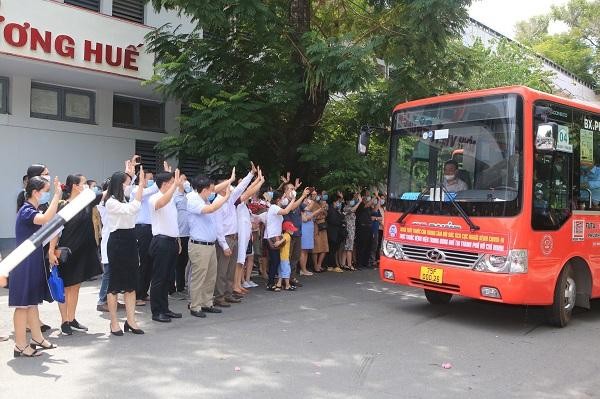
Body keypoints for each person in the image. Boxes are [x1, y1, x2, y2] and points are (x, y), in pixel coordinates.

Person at [10, 176, 62, 357]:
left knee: (31, 303)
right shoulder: (27, 211)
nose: (47, 194)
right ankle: (20, 345)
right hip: (24, 264)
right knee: (22, 305)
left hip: (31, 262)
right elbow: (47, 217)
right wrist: (57, 196)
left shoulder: (31, 209)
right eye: (45, 191)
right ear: (35, 192)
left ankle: (37, 338)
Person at [49, 174, 102, 335]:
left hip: (83, 251)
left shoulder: (87, 202)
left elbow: (106, 193)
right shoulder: (63, 205)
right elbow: (55, 230)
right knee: (65, 286)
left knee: (76, 286)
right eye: (84, 183)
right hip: (67, 251)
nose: (87, 186)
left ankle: (72, 319)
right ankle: (64, 321)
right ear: (75, 186)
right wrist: (51, 251)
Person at [105, 168, 147, 336]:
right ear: (119, 185)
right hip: (117, 242)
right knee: (114, 284)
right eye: (128, 184)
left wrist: (139, 185)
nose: (130, 186)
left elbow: (133, 208)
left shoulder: (126, 198)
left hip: (130, 239)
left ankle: (131, 320)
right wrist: (141, 187)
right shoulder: (111, 201)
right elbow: (133, 209)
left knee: (131, 284)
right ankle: (114, 322)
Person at [186, 174, 232, 318]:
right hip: (199, 245)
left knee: (210, 276)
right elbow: (210, 210)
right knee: (199, 277)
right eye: (210, 190)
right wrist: (225, 198)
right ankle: (195, 305)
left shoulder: (203, 197)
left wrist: (229, 181)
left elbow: (214, 193)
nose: (213, 193)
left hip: (210, 245)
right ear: (204, 189)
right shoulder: (193, 200)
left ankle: (207, 303)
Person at [213, 165, 254, 306]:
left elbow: (241, 188)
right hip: (225, 239)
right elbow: (218, 228)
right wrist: (224, 245)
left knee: (230, 271)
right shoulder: (218, 202)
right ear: (221, 188)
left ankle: (228, 293)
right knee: (222, 271)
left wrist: (251, 174)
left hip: (234, 237)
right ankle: (219, 297)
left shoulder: (229, 200)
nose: (230, 188)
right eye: (227, 185)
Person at [148, 166, 184, 323]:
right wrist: (175, 186)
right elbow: (161, 202)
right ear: (164, 184)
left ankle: (165, 308)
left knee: (168, 277)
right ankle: (157, 312)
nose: (174, 184)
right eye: (171, 182)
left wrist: (178, 240)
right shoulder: (154, 197)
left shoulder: (171, 197)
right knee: (159, 278)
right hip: (160, 241)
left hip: (171, 241)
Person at [265, 188, 310, 290]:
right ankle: (270, 284)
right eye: (281, 199)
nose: (282, 200)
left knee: (276, 261)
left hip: (276, 235)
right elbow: (286, 211)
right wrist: (293, 199)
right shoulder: (274, 207)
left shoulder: (275, 207)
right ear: (277, 200)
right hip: (273, 236)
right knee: (275, 261)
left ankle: (276, 283)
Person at [234, 167, 265, 295]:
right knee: (239, 260)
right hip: (239, 235)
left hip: (246, 236)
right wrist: (259, 181)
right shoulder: (237, 201)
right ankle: (235, 284)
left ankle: (237, 284)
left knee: (242, 260)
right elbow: (247, 191)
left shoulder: (246, 206)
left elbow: (248, 190)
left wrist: (257, 179)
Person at [132, 168, 158, 306]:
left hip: (151, 229)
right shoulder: (136, 190)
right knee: (142, 262)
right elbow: (150, 190)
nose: (151, 180)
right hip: (141, 229)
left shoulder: (151, 191)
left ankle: (143, 292)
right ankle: (137, 294)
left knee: (149, 261)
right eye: (149, 178)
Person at [171, 174, 191, 299]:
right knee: (176, 262)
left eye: (186, 179)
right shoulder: (174, 197)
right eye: (183, 180)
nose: (185, 182)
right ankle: (173, 288)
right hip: (178, 234)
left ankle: (181, 286)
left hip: (189, 233)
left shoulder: (188, 196)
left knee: (184, 262)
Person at [282, 179, 304, 287]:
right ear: (285, 191)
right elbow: (292, 206)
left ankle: (292, 277)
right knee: (287, 257)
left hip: (298, 233)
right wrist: (302, 195)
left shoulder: (295, 201)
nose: (293, 190)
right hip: (289, 234)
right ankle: (284, 278)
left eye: (293, 189)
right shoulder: (285, 201)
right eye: (290, 189)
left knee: (295, 256)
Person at [299, 195, 323, 276]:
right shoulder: (301, 207)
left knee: (306, 251)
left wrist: (316, 212)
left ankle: (304, 269)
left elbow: (311, 217)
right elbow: (304, 219)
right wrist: (315, 212)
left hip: (309, 230)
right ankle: (302, 269)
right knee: (303, 250)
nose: (309, 201)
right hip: (304, 230)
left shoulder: (308, 209)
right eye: (307, 199)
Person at [274, 221, 298, 291]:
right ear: (286, 229)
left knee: (281, 270)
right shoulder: (287, 235)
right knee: (287, 271)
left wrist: (278, 242)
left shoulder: (284, 234)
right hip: (285, 257)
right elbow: (283, 240)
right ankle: (287, 285)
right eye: (291, 229)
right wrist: (278, 243)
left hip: (282, 256)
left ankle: (279, 284)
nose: (292, 230)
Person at [341, 192, 361, 271]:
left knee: (346, 247)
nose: (353, 201)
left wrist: (357, 196)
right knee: (349, 247)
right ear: (347, 201)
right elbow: (353, 209)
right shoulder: (347, 208)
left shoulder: (348, 207)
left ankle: (343, 263)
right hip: (348, 229)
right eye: (351, 199)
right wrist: (359, 201)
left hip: (351, 229)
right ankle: (349, 265)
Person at [325, 196, 345, 273]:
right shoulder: (331, 210)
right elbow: (333, 220)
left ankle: (330, 265)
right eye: (338, 202)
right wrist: (341, 221)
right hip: (332, 232)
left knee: (333, 249)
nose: (339, 203)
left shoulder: (335, 210)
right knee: (332, 249)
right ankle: (332, 265)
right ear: (334, 202)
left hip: (335, 232)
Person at [355, 190, 373, 269]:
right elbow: (367, 205)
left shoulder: (369, 207)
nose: (368, 197)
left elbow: (375, 209)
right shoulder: (361, 205)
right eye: (367, 195)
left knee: (369, 246)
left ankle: (366, 263)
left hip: (369, 227)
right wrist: (375, 196)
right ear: (363, 197)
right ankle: (359, 264)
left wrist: (378, 199)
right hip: (362, 227)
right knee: (361, 246)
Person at [311, 196, 329, 273]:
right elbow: (313, 216)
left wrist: (323, 209)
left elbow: (326, 214)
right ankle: (315, 266)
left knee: (325, 247)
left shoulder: (323, 203)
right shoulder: (312, 204)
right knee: (316, 248)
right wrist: (319, 211)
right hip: (316, 227)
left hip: (323, 226)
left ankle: (319, 264)